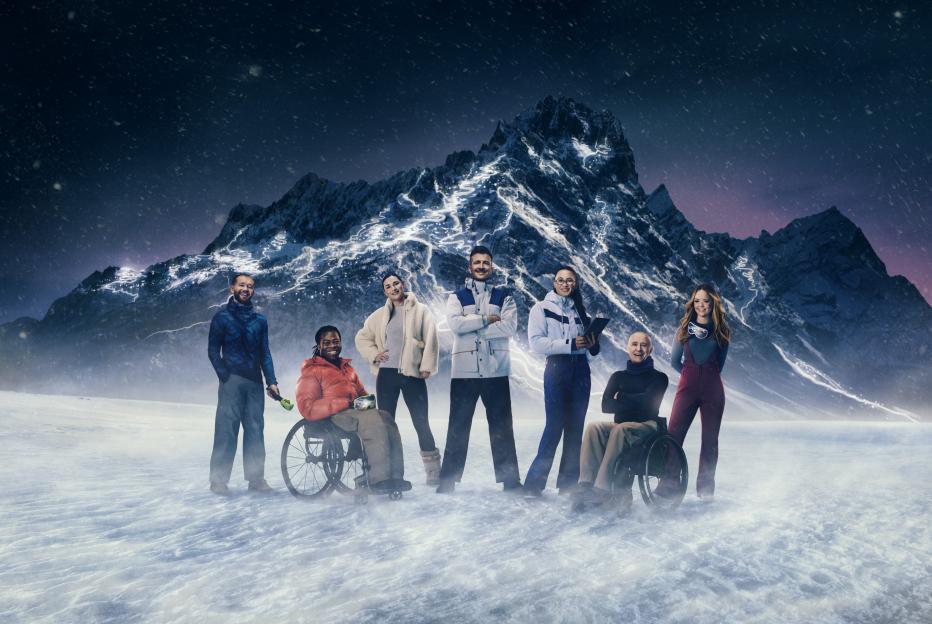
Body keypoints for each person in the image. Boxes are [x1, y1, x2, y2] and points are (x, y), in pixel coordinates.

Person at [436, 245, 522, 493]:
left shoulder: (504, 296)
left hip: (496, 372)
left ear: (491, 266)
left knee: (502, 427)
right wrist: (486, 320)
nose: (481, 266)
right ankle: (447, 481)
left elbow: (509, 327)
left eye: (486, 262)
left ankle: (510, 481)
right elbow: (455, 325)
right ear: (470, 266)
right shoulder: (456, 297)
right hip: (465, 374)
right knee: (458, 427)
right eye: (477, 262)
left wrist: (472, 327)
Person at [295, 325, 410, 492]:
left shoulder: (347, 369)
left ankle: (395, 476)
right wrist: (343, 404)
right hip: (332, 416)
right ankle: (379, 479)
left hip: (353, 412)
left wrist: (367, 402)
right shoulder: (312, 371)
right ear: (318, 345)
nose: (332, 345)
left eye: (335, 341)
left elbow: (362, 394)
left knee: (385, 417)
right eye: (326, 342)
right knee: (371, 419)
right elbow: (307, 407)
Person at [355, 272, 441, 485]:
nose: (393, 288)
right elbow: (361, 337)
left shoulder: (421, 311)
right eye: (388, 286)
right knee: (386, 426)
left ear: (402, 284)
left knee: (421, 422)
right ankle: (388, 473)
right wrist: (374, 354)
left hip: (412, 375)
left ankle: (433, 472)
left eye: (396, 284)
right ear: (385, 292)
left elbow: (431, 337)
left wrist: (426, 366)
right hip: (387, 375)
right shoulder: (379, 315)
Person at [523, 266, 600, 497]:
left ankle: (567, 485)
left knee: (575, 429)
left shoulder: (580, 311)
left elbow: (593, 349)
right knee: (554, 426)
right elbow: (536, 343)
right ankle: (533, 485)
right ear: (554, 283)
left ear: (575, 284)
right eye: (561, 280)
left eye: (570, 281)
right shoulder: (541, 308)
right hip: (557, 368)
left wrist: (592, 342)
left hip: (581, 370)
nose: (565, 284)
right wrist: (570, 344)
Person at [572, 331, 669, 514]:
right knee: (594, 427)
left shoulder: (659, 378)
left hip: (648, 426)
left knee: (621, 429)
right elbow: (606, 405)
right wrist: (636, 399)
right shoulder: (617, 376)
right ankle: (586, 484)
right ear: (627, 348)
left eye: (643, 345)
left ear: (650, 350)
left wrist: (621, 396)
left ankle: (601, 489)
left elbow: (648, 405)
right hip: (622, 426)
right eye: (634, 344)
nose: (638, 349)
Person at [207, 273, 279, 495]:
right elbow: (213, 350)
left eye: (250, 286)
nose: (246, 289)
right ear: (232, 288)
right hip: (231, 382)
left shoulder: (260, 321)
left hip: (255, 382)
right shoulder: (221, 318)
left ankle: (256, 480)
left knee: (255, 431)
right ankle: (218, 481)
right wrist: (224, 375)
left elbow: (265, 353)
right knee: (226, 430)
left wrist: (271, 381)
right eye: (242, 285)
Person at [667, 283, 731, 500]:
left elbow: (719, 365)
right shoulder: (684, 329)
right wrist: (690, 374)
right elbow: (674, 361)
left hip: (713, 390)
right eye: (697, 301)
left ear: (713, 303)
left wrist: (705, 376)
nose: (701, 305)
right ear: (692, 303)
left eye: (706, 301)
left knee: (710, 441)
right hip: (687, 389)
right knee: (674, 435)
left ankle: (705, 491)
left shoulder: (722, 331)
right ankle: (668, 486)